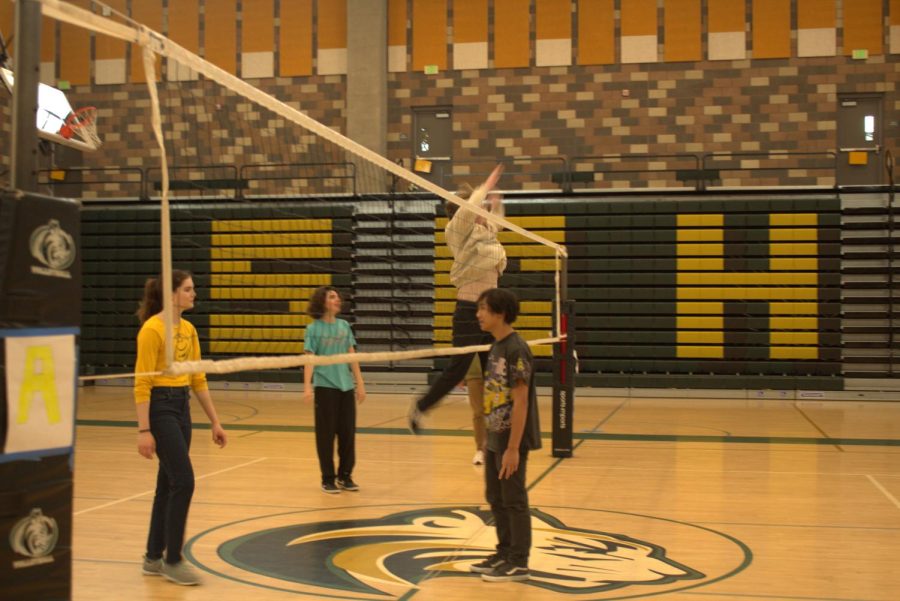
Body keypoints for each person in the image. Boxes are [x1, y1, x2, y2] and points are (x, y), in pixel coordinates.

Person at [134, 269, 227, 587]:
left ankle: (152, 558)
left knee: (168, 484)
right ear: (172, 294)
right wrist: (144, 430)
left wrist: (214, 421)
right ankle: (173, 559)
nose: (193, 294)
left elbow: (198, 377)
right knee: (184, 481)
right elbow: (142, 382)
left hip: (182, 406)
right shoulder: (152, 329)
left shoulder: (188, 329)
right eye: (188, 289)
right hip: (160, 409)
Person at [409, 164, 507, 463]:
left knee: (500, 370)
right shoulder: (457, 229)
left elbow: (498, 222)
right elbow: (471, 207)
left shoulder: (483, 229)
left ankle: (497, 437)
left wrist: (497, 202)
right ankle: (421, 407)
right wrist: (487, 184)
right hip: (469, 309)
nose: (482, 213)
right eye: (477, 207)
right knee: (457, 369)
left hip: (492, 310)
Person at [468, 288, 541, 582]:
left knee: (513, 499)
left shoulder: (516, 348)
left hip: (513, 440)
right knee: (495, 498)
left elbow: (520, 400)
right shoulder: (494, 347)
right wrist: (487, 439)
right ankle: (504, 551)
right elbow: (492, 396)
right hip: (496, 437)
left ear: (500, 312)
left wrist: (512, 448)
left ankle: (519, 561)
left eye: (483, 308)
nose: (478, 314)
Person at [304, 286, 367, 494]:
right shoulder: (312, 329)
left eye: (338, 296)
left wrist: (360, 383)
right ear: (322, 302)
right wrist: (307, 387)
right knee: (326, 435)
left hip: (346, 387)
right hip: (325, 387)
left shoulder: (344, 326)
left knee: (348, 434)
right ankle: (327, 478)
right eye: (332, 297)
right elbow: (309, 359)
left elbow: (352, 356)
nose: (338, 299)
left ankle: (346, 476)